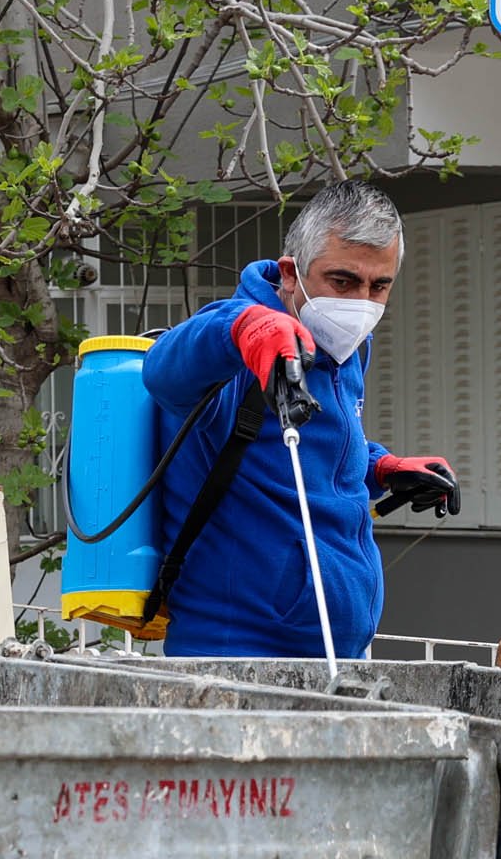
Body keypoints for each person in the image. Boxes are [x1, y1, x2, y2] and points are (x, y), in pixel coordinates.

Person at [140, 180, 458, 659]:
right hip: (237, 654)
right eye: (343, 281)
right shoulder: (238, 345)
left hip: (336, 649)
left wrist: (381, 469)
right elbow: (164, 372)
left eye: (380, 285)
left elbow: (307, 456)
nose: (361, 303)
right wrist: (246, 329)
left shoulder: (344, 351)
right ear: (290, 274)